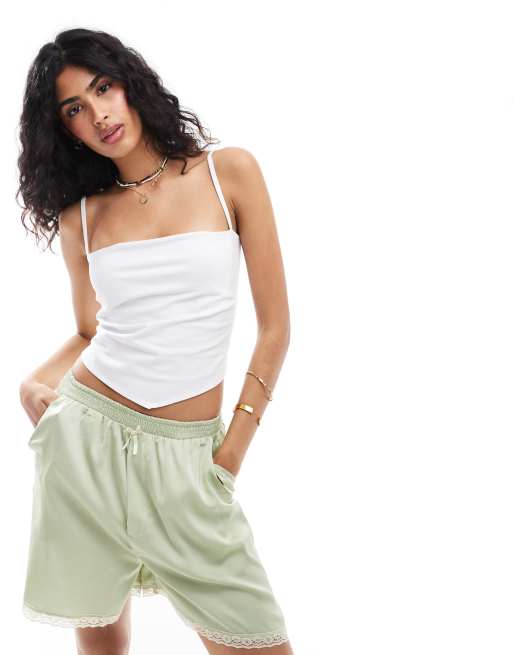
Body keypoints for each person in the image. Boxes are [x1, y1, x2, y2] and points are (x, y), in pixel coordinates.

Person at [18, 28, 293, 654]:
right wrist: (35, 382)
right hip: (85, 446)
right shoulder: (81, 216)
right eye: (75, 109)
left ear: (129, 83)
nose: (98, 115)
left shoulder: (229, 173)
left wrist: (230, 454)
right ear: (65, 130)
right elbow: (90, 331)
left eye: (103, 88)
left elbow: (275, 326)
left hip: (189, 460)